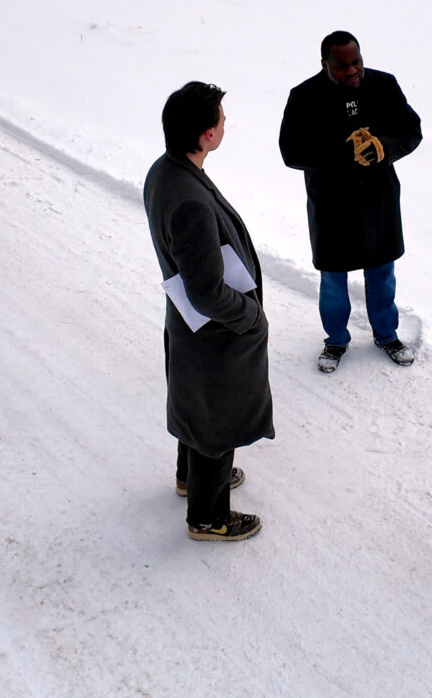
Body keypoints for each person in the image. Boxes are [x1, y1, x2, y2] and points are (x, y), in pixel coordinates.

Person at [144, 82, 275, 541]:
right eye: (220, 119)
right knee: (216, 421)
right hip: (214, 334)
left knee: (197, 409)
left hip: (187, 328)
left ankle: (188, 477)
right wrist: (248, 316)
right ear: (206, 135)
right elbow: (205, 292)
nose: (225, 124)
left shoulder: (165, 171)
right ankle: (208, 516)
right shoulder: (190, 200)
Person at [280, 31, 422, 373]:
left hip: (378, 199)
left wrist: (383, 148)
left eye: (357, 61)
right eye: (342, 66)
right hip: (332, 204)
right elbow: (291, 152)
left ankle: (387, 334)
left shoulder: (384, 85)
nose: (353, 70)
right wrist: (342, 154)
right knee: (333, 277)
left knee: (382, 273)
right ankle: (335, 339)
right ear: (325, 64)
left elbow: (411, 130)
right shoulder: (304, 97)